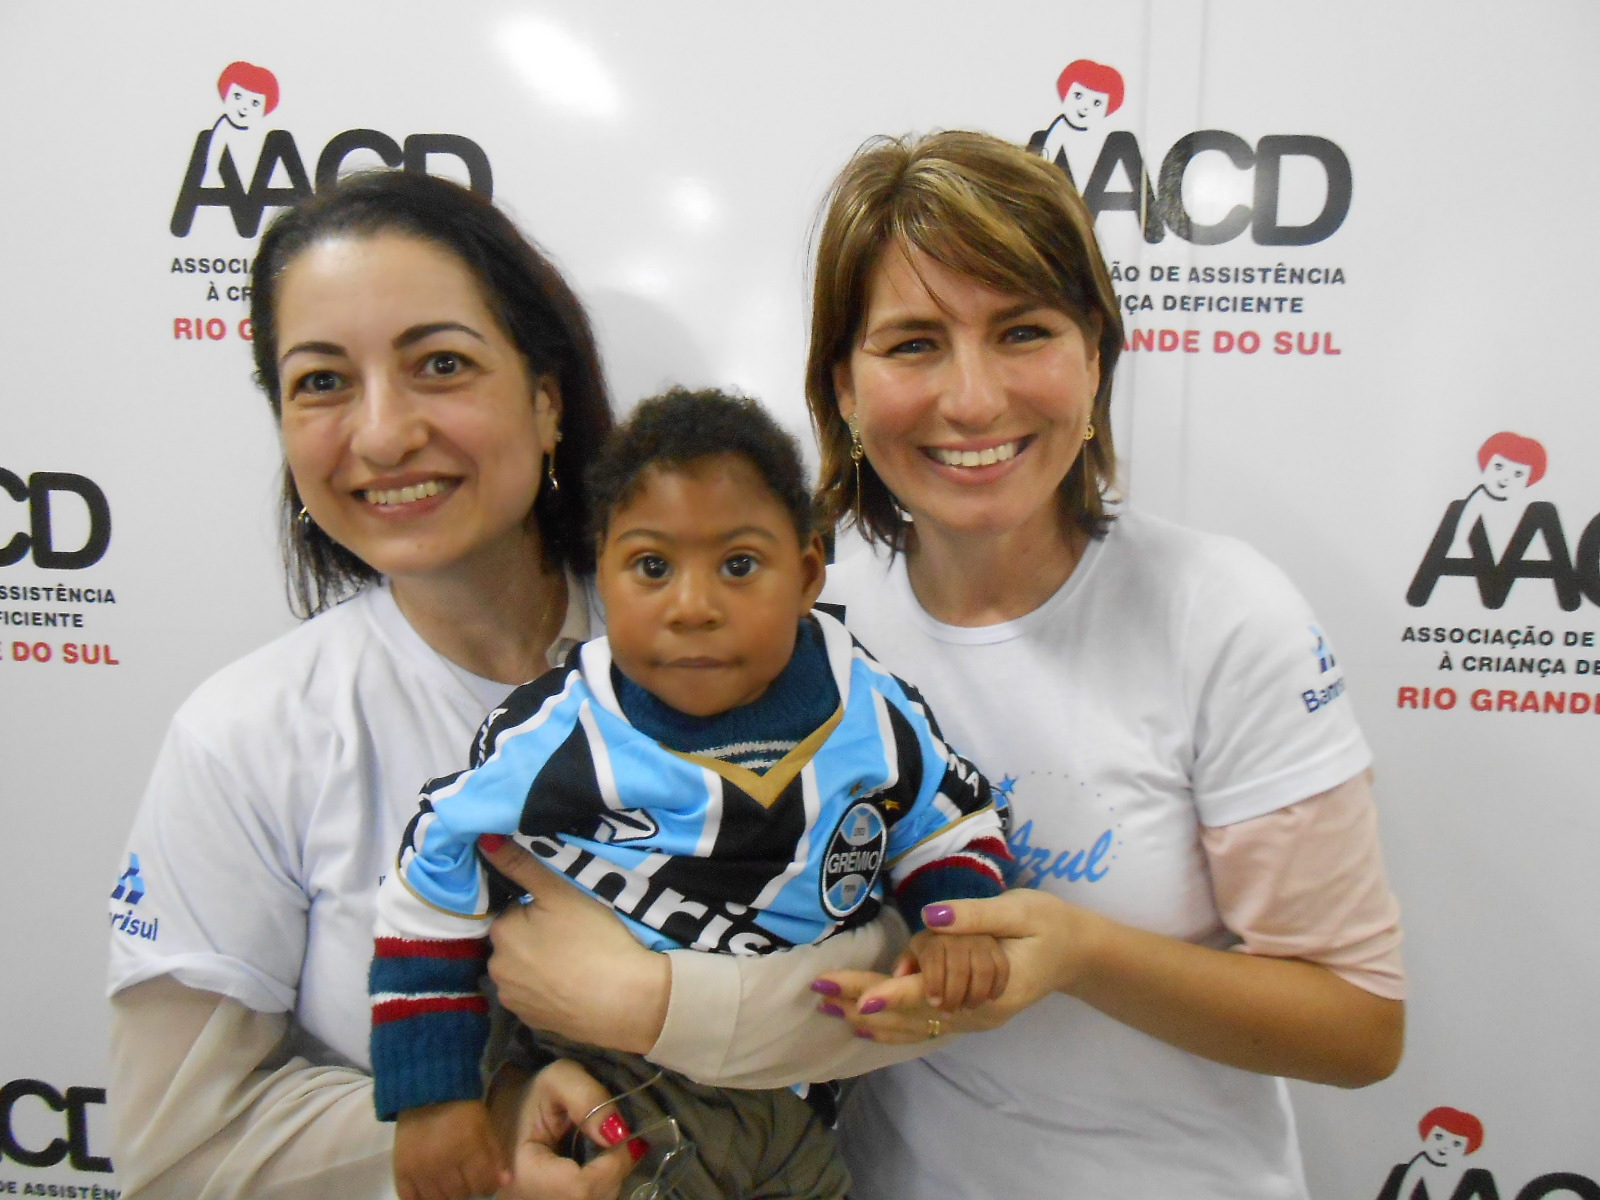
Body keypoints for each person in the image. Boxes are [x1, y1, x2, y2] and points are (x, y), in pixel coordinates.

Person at [476, 131, 1407, 1200]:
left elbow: (1358, 1026)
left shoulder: (1224, 619)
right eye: (913, 344)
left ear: (1094, 354)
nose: (972, 400)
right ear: (843, 386)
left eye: (1022, 332)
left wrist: (1079, 955)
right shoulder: (795, 608)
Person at [372, 389, 1011, 1200]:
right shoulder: (563, 731)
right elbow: (431, 872)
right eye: (651, 567)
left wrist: (953, 921)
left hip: (795, 1101)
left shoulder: (868, 706)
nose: (694, 608)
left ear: (809, 572)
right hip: (614, 1092)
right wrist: (435, 1095)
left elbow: (950, 823)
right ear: (601, 571)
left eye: (739, 566)